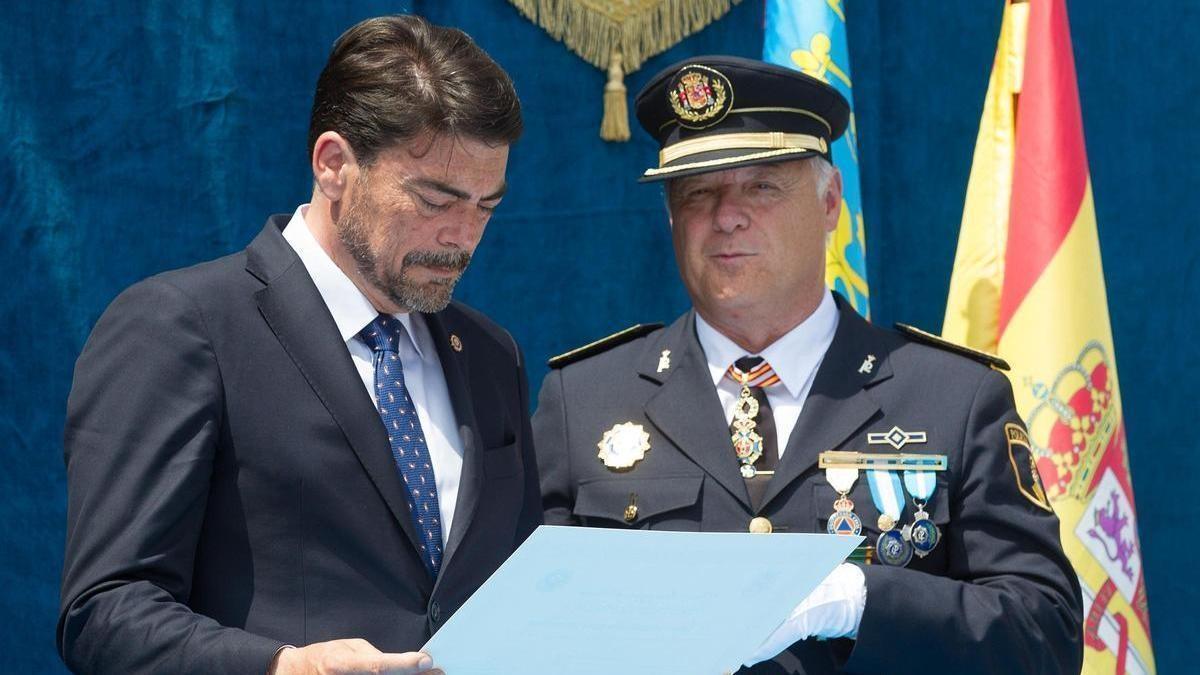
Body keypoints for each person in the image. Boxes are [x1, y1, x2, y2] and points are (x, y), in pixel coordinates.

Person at [532, 55, 1082, 674]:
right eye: (698, 193)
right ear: (671, 218)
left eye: (761, 186)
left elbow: (1045, 634)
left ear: (829, 204)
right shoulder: (583, 402)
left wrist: (857, 599)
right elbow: (521, 630)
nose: (726, 215)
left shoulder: (954, 397)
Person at [59, 15, 541, 674]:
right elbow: (105, 612)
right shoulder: (184, 326)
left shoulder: (490, 354)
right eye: (436, 199)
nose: (464, 235)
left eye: (487, 206)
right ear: (334, 164)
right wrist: (283, 665)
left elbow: (518, 600)